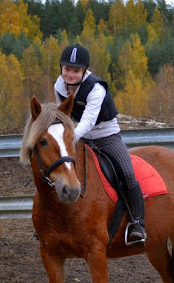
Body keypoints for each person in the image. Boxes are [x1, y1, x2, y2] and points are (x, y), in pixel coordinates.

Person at [54, 43, 147, 245]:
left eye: (76, 71)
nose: (70, 74)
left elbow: (88, 120)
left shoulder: (96, 89)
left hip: (107, 136)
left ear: (84, 71)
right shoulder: (59, 86)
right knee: (59, 168)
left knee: (127, 172)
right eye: (67, 69)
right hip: (80, 138)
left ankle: (137, 223)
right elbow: (64, 115)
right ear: (61, 67)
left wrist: (70, 137)